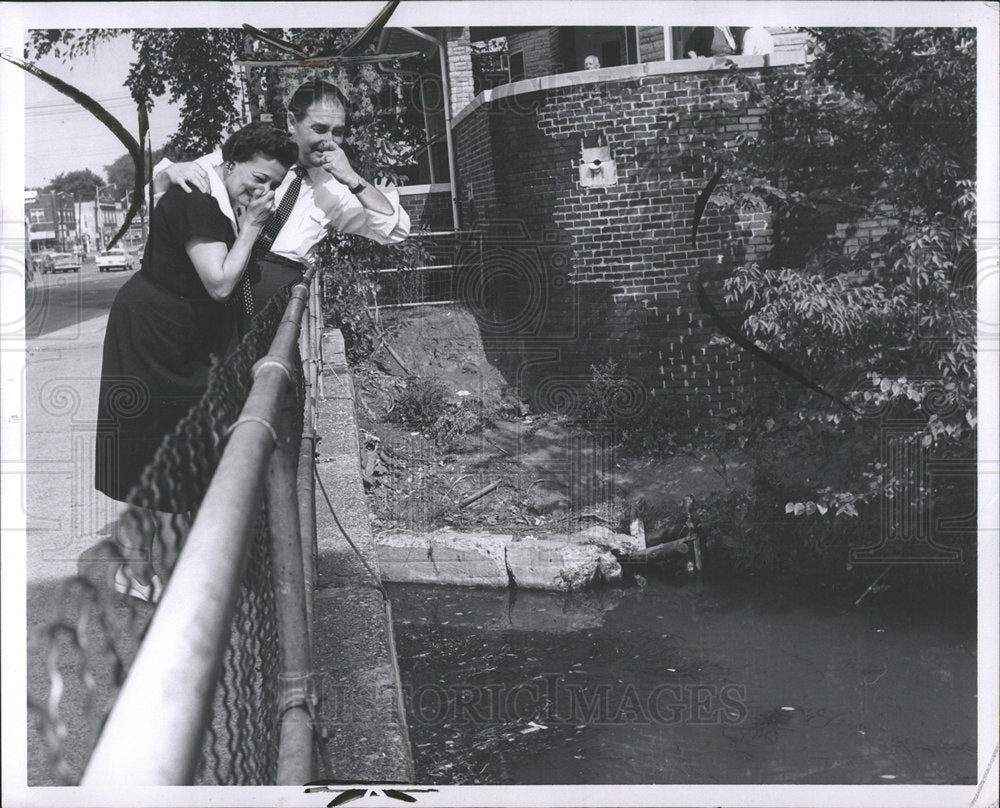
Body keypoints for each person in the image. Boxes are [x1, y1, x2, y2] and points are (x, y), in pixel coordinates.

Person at [95, 122, 298, 602]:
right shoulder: (200, 201)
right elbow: (221, 282)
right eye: (257, 177)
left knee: (177, 450)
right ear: (228, 166)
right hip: (152, 337)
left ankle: (170, 566)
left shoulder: (213, 198)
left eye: (273, 183)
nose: (263, 190)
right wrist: (251, 227)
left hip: (176, 338)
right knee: (149, 452)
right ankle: (138, 574)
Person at [153, 79, 411, 329]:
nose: (329, 141)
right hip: (217, 303)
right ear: (291, 122)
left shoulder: (337, 189)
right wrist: (169, 173)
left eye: (338, 132)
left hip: (275, 315)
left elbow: (394, 230)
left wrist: (354, 180)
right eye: (319, 129)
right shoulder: (255, 155)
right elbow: (165, 189)